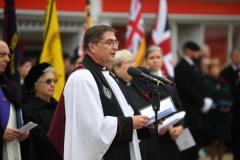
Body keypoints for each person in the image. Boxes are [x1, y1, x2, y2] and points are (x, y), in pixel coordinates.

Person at [48, 25, 149, 160]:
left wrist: (143, 120)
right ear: (93, 46)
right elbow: (91, 128)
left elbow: (124, 112)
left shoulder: (107, 74)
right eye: (109, 42)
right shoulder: (82, 78)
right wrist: (130, 123)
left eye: (116, 42)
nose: (115, 47)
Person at [143, 46, 184, 160]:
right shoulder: (143, 80)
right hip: (157, 130)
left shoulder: (169, 78)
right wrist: (166, 124)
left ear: (162, 59)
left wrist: (180, 126)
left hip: (174, 131)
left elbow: (178, 104)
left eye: (158, 57)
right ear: (146, 60)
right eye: (151, 58)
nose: (155, 60)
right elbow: (147, 105)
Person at [174, 41, 211, 160]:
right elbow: (187, 89)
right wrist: (201, 101)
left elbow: (201, 84)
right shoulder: (181, 67)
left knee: (196, 145)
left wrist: (206, 98)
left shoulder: (194, 65)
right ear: (189, 51)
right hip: (188, 111)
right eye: (196, 51)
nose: (198, 54)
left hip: (197, 113)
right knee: (186, 147)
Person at [21, 63, 62, 160]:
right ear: (36, 85)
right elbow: (42, 141)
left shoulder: (59, 106)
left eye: (54, 81)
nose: (53, 84)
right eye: (48, 81)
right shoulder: (29, 110)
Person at [0, 40, 29, 160]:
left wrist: (21, 129)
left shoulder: (6, 84)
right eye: (2, 54)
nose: (7, 59)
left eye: (8, 55)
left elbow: (16, 110)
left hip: (13, 145)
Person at [203, 58, 233, 160]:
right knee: (212, 141)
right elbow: (206, 99)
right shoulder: (206, 82)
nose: (216, 71)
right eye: (213, 69)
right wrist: (217, 107)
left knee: (222, 140)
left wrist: (228, 106)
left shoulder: (223, 81)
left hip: (224, 117)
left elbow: (229, 96)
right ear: (210, 70)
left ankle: (220, 158)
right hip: (212, 117)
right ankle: (212, 158)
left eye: (217, 68)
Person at [221, 50, 240, 160]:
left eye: (239, 56)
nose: (237, 58)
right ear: (231, 57)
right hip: (231, 109)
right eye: (235, 56)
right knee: (234, 135)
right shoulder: (226, 72)